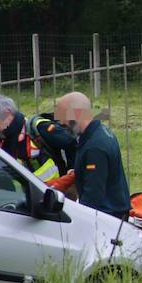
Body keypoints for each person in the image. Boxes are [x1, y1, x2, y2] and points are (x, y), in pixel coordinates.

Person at [54, 91, 130, 219]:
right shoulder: (100, 132)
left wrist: (79, 220)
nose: (61, 122)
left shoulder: (95, 147)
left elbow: (93, 195)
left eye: (63, 116)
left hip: (106, 218)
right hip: (112, 212)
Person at [0, 95, 64, 183]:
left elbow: (72, 144)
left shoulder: (38, 128)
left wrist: (70, 180)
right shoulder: (2, 141)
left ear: (7, 113)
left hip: (57, 192)